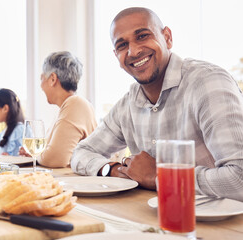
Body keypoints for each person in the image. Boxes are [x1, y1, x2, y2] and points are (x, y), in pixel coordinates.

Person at [71, 7, 243, 202]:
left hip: (222, 227)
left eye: (143, 36)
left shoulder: (208, 83)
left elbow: (240, 178)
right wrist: (112, 169)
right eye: (122, 45)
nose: (133, 51)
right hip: (153, 220)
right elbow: (81, 153)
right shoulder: (127, 104)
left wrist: (160, 176)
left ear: (167, 37)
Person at [20, 51, 97, 168]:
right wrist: (37, 155)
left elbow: (54, 159)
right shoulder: (68, 107)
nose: (41, 86)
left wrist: (36, 155)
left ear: (52, 79)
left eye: (42, 78)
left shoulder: (75, 104)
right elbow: (49, 154)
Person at [0, 88, 25, 156]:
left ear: (5, 108)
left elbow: (25, 157)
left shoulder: (20, 130)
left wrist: (10, 158)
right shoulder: (5, 131)